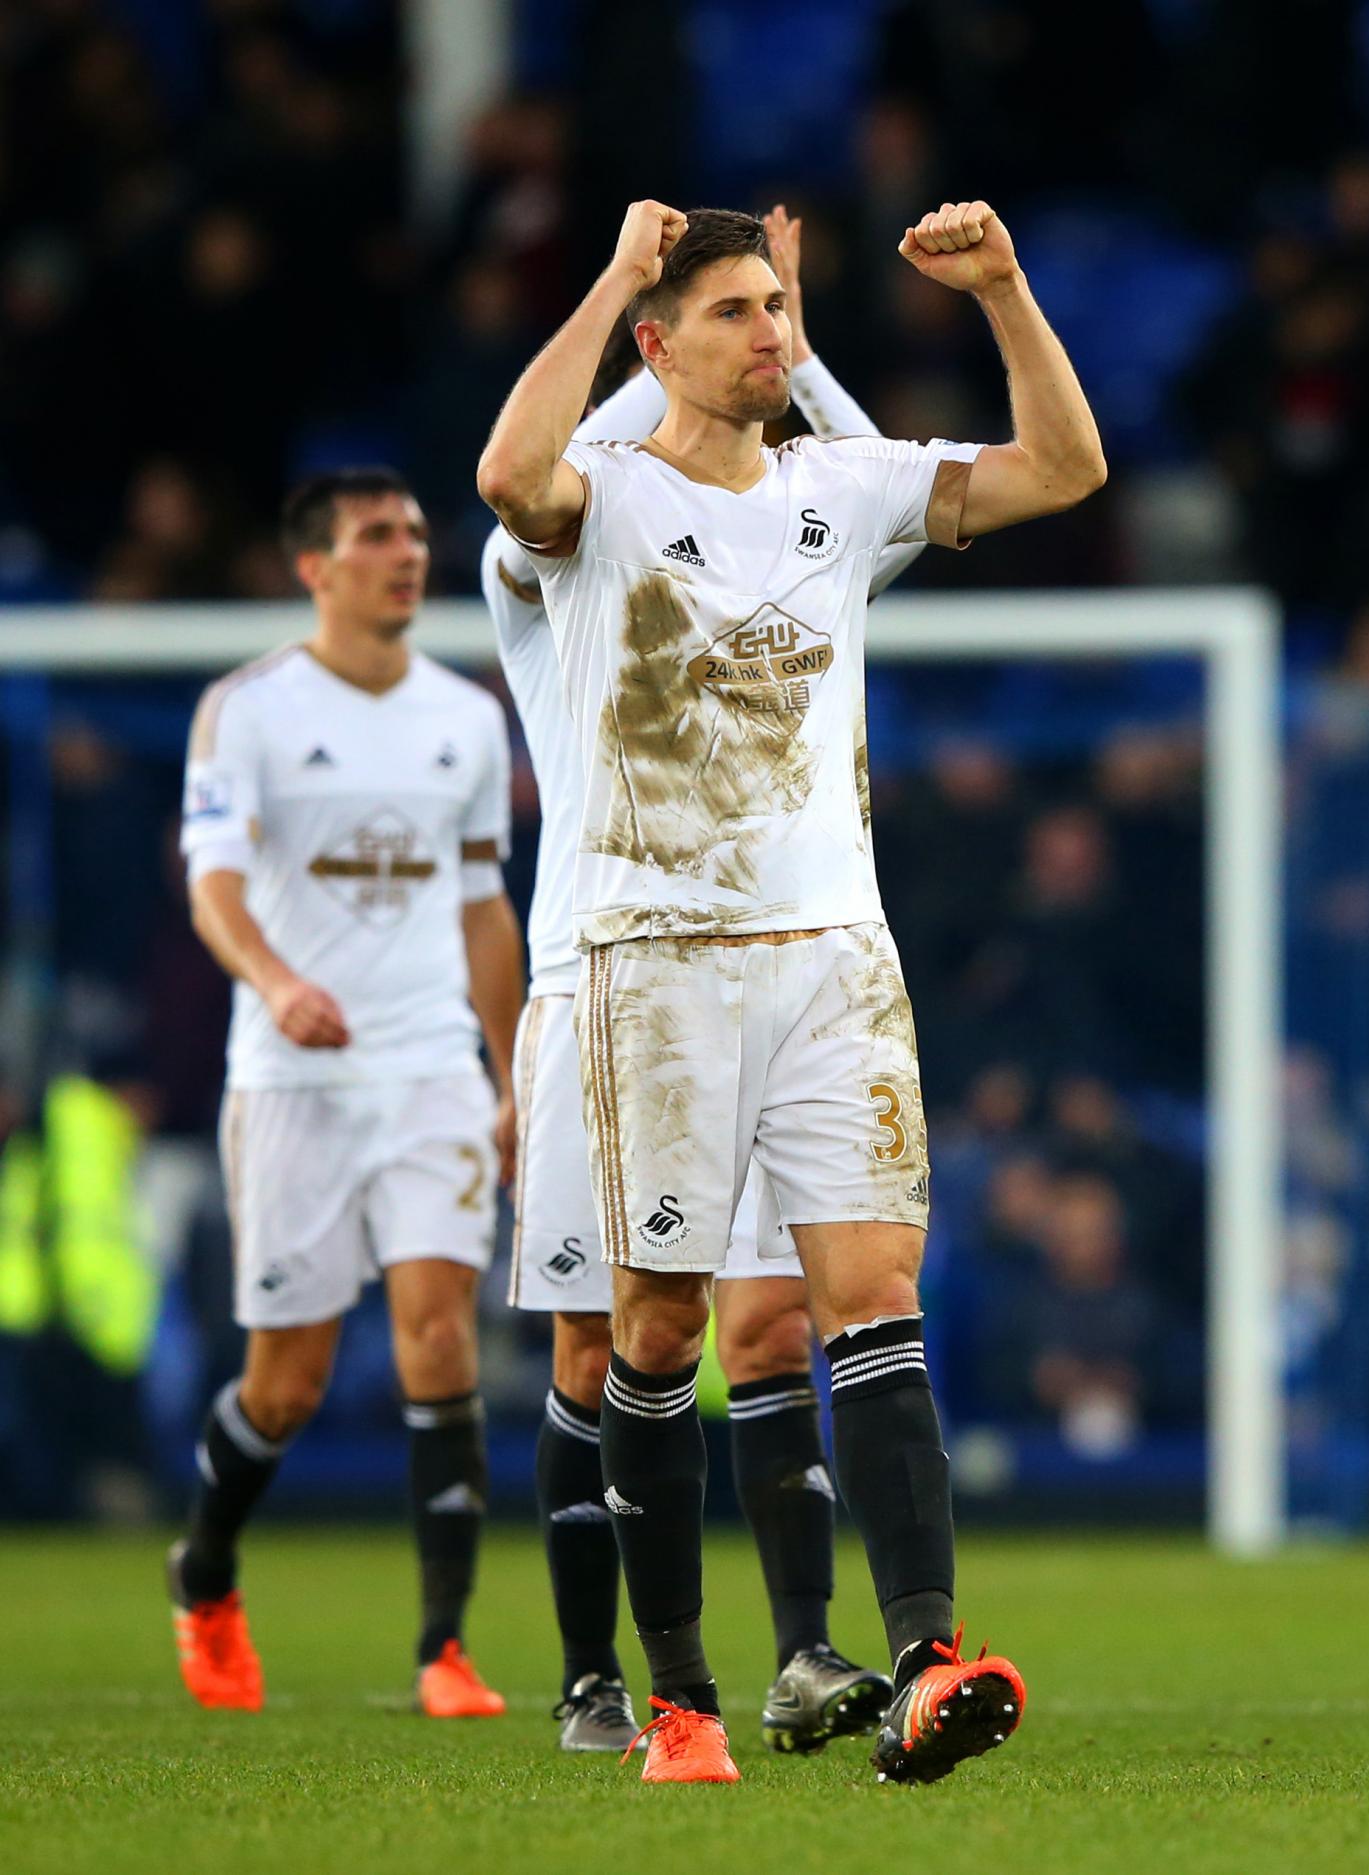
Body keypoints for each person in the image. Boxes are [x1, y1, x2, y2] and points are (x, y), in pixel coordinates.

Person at [476, 198, 1105, 1784]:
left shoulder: (848, 484)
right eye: (739, 312)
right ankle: (678, 1698)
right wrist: (615, 262)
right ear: (657, 343)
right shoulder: (600, 501)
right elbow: (505, 475)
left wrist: (1009, 294)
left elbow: (1064, 471)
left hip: (836, 956)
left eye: (778, 304)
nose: (773, 332)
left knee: (872, 1299)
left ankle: (925, 1658)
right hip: (657, 957)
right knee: (660, 1324)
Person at [486, 206, 911, 1756]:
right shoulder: (562, 535)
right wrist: (640, 286)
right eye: (728, 318)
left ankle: (803, 1650)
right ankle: (602, 1669)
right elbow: (564, 455)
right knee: (607, 1341)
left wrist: (786, 311)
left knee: (776, 1322)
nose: (766, 341)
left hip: (765, 962)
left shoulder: (756, 502)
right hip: (594, 978)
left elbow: (837, 478)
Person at [171, 468, 526, 1720]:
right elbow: (213, 878)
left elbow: (483, 904)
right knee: (290, 1385)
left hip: (430, 1063)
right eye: (377, 536)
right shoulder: (247, 711)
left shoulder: (468, 719)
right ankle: (205, 1569)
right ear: (313, 567)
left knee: (440, 1336)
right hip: (292, 1075)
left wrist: (510, 1061)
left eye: (418, 534)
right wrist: (270, 980)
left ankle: (445, 1648)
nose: (408, 554)